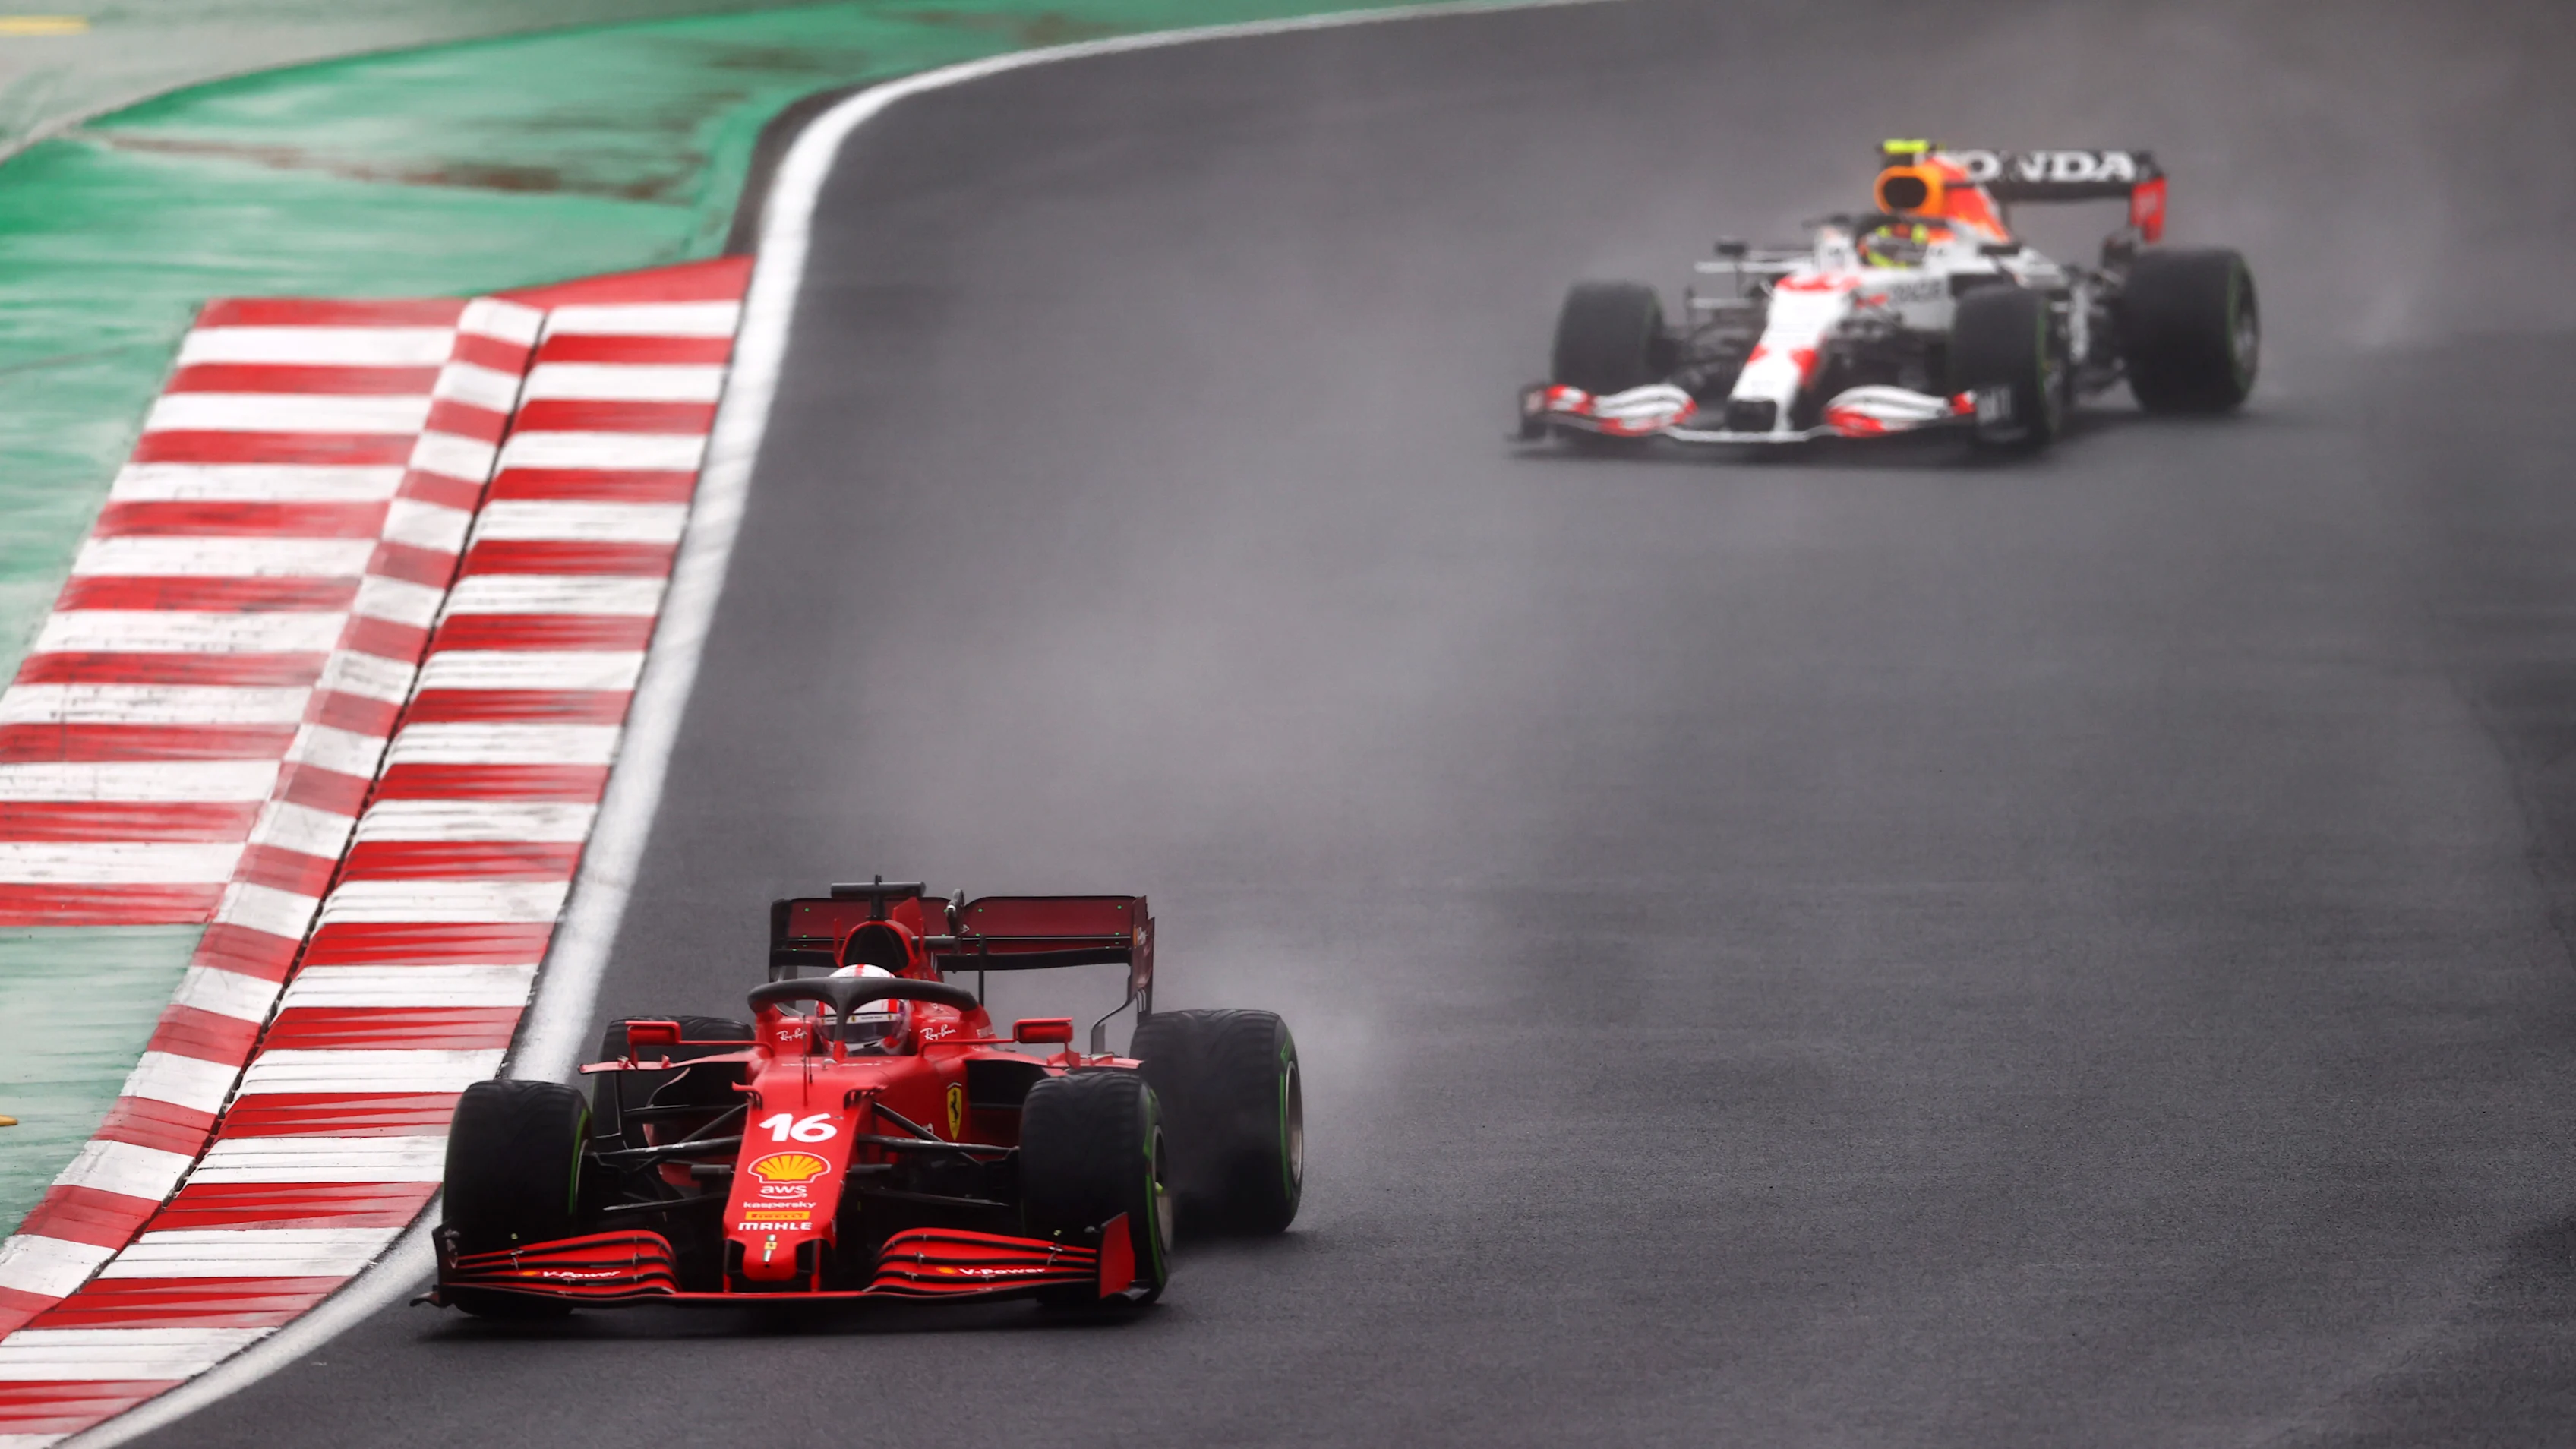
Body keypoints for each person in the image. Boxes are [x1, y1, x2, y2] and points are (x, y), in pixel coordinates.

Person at [1859, 219, 1951, 269]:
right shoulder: (1875, 243)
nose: (1901, 228)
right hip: (1895, 269)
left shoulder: (1921, 232)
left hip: (1919, 265)